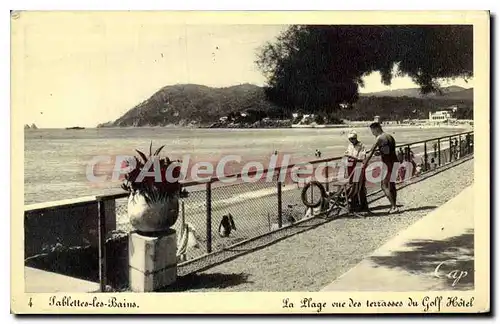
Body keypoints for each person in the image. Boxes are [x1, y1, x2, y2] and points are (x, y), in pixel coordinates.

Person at [363, 122, 400, 214]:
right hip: (395, 161)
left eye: (372, 131)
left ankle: (394, 206)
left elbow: (371, 152)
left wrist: (364, 164)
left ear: (376, 129)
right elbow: (388, 150)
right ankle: (394, 205)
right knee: (392, 185)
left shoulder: (379, 138)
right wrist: (381, 152)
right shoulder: (389, 136)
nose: (372, 134)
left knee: (384, 186)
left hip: (387, 164)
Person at [343, 130, 368, 212]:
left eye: (353, 138)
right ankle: (354, 205)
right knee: (352, 186)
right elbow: (346, 155)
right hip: (350, 167)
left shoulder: (361, 146)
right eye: (350, 139)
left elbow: (361, 158)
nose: (351, 140)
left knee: (360, 187)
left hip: (358, 167)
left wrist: (351, 156)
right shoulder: (350, 146)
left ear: (356, 138)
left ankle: (364, 206)